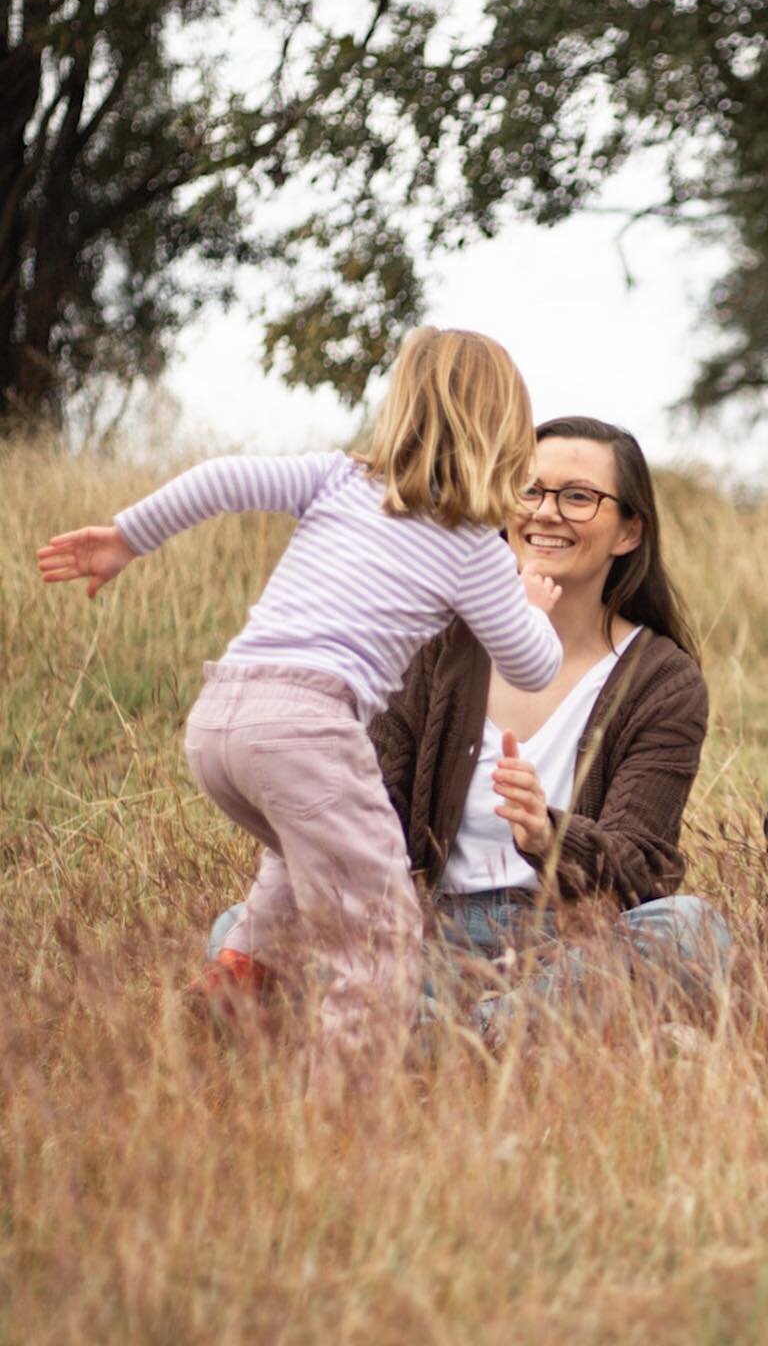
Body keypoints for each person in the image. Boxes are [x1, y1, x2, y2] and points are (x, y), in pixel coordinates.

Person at [38, 326, 563, 1100]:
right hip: (310, 728)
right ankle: (339, 1113)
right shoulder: (474, 546)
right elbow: (531, 664)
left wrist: (128, 538)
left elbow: (221, 479)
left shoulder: (338, 478)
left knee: (296, 848)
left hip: (221, 717)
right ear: (506, 433)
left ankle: (242, 968)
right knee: (377, 931)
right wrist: (531, 604)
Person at [212, 416, 731, 1046]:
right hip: (423, 935)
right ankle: (493, 1040)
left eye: (577, 496)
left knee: (691, 931)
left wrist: (548, 833)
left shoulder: (662, 681)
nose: (546, 513)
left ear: (629, 531)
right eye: (529, 490)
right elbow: (371, 802)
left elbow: (643, 870)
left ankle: (449, 1041)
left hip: (560, 947)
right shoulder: (435, 641)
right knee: (242, 928)